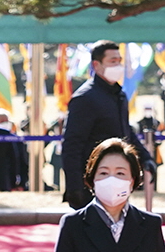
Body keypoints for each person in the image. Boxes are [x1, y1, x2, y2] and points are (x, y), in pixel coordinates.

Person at [61, 40, 157, 210]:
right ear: (96, 65)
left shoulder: (119, 95)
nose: (118, 66)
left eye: (119, 61)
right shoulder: (84, 98)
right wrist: (74, 186)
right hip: (92, 182)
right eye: (113, 61)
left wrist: (146, 158)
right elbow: (72, 145)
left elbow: (126, 132)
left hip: (118, 178)